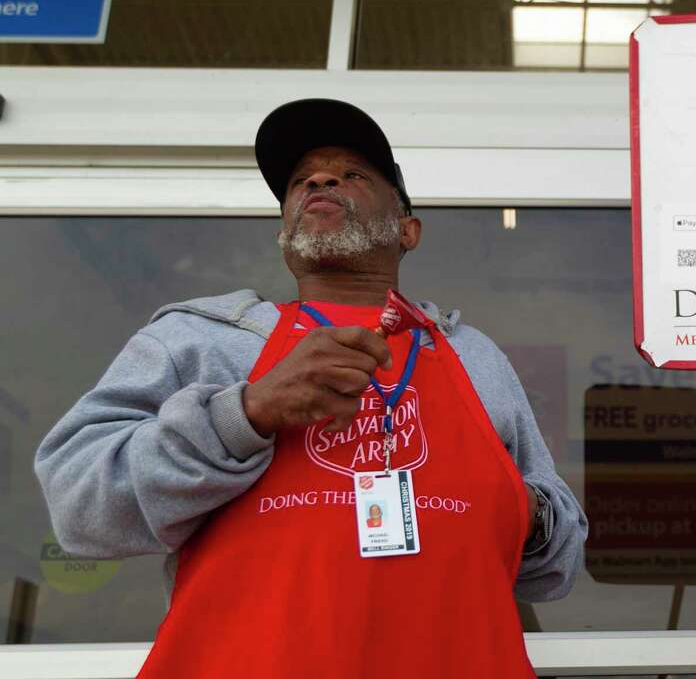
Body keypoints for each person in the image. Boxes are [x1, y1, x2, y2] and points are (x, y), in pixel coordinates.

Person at [34, 98, 587, 678]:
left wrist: (524, 512)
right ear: (284, 231)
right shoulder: (198, 339)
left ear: (407, 229)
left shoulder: (475, 355)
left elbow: (557, 564)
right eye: (303, 180)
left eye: (352, 174)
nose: (321, 180)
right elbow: (79, 507)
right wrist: (245, 414)